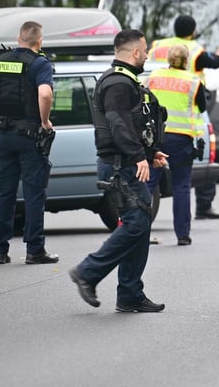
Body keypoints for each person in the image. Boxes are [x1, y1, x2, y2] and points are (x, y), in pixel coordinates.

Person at [69, 29, 168, 312]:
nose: (147, 55)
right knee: (136, 223)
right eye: (145, 50)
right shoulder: (117, 83)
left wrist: (150, 153)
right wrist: (138, 157)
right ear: (135, 52)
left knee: (140, 223)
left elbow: (133, 123)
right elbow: (118, 124)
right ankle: (87, 272)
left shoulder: (125, 81)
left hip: (125, 163)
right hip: (119, 166)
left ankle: (130, 294)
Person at [0, 21, 59, 265]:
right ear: (39, 41)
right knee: (34, 194)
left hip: (4, 137)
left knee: (3, 194)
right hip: (31, 137)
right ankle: (35, 250)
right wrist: (45, 121)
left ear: (18, 39)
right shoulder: (40, 63)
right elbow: (45, 93)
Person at [149, 14, 219, 220]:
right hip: (187, 109)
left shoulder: (157, 46)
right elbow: (215, 62)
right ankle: (204, 204)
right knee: (206, 154)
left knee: (150, 178)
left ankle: (137, 225)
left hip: (157, 114)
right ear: (193, 31)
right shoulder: (194, 49)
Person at [146, 44, 205, 246]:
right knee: (181, 186)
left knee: (149, 183)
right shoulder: (193, 81)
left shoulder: (154, 76)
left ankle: (139, 231)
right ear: (186, 60)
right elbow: (202, 106)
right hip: (181, 138)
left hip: (157, 138)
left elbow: (144, 100)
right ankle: (182, 235)